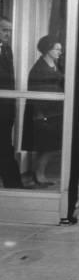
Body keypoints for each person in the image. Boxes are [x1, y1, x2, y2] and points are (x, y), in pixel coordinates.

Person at [22, 36, 64, 187]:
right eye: (57, 49)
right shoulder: (39, 68)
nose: (60, 52)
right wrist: (40, 115)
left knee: (50, 146)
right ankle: (38, 174)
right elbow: (37, 91)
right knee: (47, 146)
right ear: (48, 50)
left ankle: (39, 173)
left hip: (55, 111)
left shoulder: (55, 64)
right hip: (43, 112)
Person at [0, 16, 24, 188]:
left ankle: (13, 183)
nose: (8, 34)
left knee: (5, 144)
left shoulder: (7, 49)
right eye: (4, 30)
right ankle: (13, 183)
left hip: (5, 108)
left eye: (9, 30)